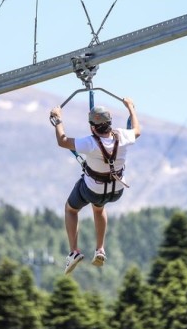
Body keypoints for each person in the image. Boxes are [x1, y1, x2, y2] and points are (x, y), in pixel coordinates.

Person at [50, 97, 141, 274]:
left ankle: (74, 251)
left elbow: (62, 141)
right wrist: (131, 108)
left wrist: (57, 119)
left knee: (71, 209)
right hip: (117, 190)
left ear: (92, 127)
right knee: (99, 208)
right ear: (110, 123)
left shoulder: (89, 143)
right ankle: (100, 249)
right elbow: (137, 130)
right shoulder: (123, 136)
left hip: (93, 189)